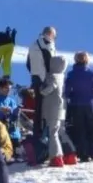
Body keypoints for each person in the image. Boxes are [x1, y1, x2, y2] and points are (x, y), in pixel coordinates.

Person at [27, 28, 73, 166]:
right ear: (50, 35)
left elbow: (28, 63)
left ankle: (43, 148)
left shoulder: (34, 44)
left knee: (41, 119)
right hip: (45, 83)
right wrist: (46, 78)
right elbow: (49, 65)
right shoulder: (46, 46)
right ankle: (55, 153)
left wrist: (35, 77)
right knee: (53, 127)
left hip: (37, 79)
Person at [63, 51, 93, 162]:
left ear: (75, 60)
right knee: (92, 128)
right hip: (90, 104)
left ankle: (83, 154)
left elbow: (66, 92)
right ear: (87, 60)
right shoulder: (92, 73)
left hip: (76, 104)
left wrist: (72, 95)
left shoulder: (71, 74)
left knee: (79, 129)